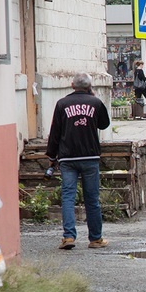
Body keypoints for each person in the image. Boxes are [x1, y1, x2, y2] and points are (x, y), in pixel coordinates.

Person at [46, 72, 111, 250]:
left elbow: (55, 132)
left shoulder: (62, 104)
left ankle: (68, 237)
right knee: (92, 199)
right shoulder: (96, 103)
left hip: (67, 157)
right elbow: (104, 124)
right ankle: (95, 239)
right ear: (89, 86)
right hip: (90, 157)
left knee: (68, 197)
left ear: (72, 85)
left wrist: (52, 157)